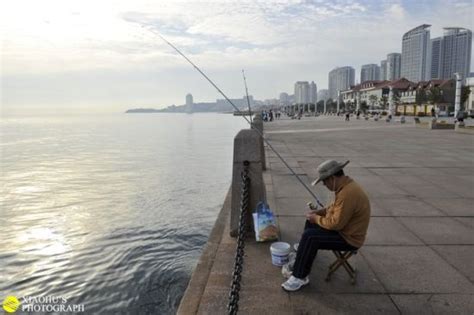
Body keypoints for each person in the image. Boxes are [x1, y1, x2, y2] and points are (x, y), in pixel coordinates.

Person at [281, 160, 371, 291]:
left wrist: (316, 218)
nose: (324, 184)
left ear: (332, 178)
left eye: (324, 181)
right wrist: (319, 213)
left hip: (349, 238)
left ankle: (300, 277)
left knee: (310, 236)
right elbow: (333, 208)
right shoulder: (345, 186)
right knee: (310, 223)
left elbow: (336, 224)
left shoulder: (347, 194)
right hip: (345, 230)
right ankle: (304, 252)